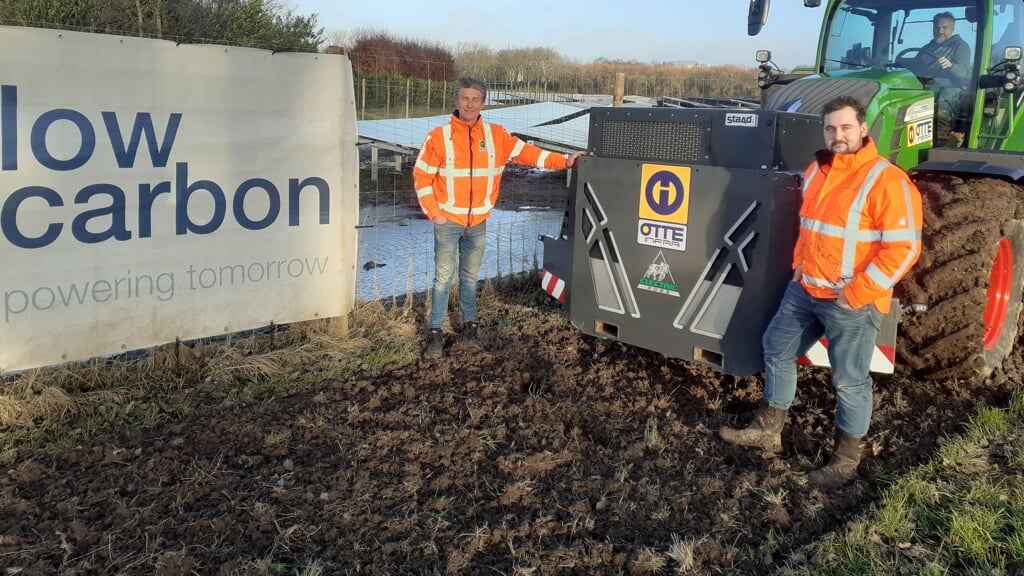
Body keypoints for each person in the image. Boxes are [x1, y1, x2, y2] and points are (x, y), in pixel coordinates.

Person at [718, 95, 923, 488]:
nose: (838, 135)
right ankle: (768, 429)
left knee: (849, 380)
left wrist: (858, 292)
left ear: (864, 129)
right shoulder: (817, 170)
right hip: (806, 289)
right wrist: (798, 271)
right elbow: (811, 228)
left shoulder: (887, 180)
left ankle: (845, 461)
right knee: (776, 348)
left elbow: (904, 247)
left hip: (851, 301)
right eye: (831, 128)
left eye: (846, 127)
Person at [413, 76, 583, 358]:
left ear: (483, 103)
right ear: (456, 101)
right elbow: (421, 176)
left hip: (478, 223)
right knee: (443, 279)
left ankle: (470, 328)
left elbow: (530, 154)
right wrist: (435, 213)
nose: (470, 104)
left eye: (475, 99)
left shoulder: (495, 135)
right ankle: (435, 334)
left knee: (469, 280)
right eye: (465, 99)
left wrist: (564, 160)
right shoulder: (438, 137)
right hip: (448, 222)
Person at [915, 12, 973, 143]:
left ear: (953, 28)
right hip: (927, 85)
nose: (940, 31)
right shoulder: (927, 48)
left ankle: (941, 140)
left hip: (950, 87)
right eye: (937, 28)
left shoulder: (960, 46)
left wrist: (951, 65)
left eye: (944, 27)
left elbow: (964, 72)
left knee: (944, 98)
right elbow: (915, 66)